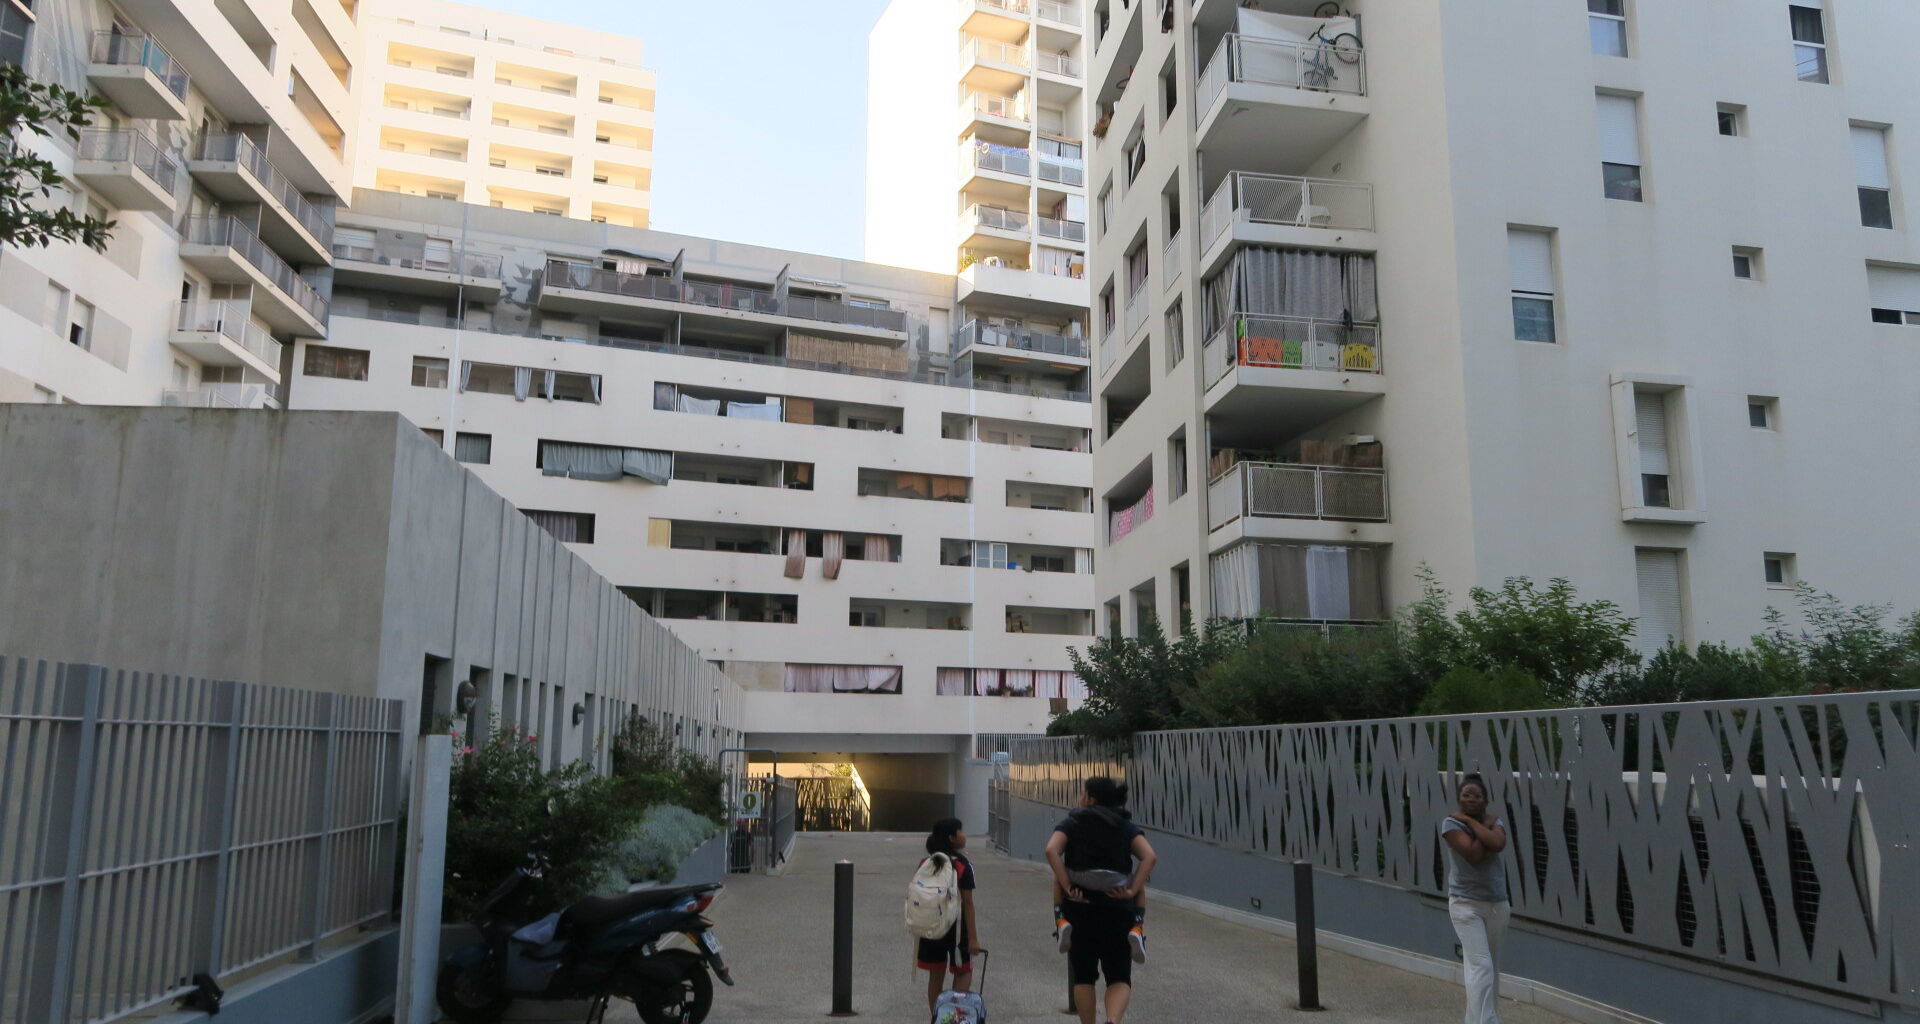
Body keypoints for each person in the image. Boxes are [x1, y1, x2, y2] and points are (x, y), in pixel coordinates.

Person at [1046, 777, 1158, 1024]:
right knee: (1119, 977)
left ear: (1091, 798)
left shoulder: (1073, 821)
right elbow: (1149, 856)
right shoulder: (1124, 825)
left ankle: (1060, 921)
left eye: (1083, 793)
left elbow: (1051, 850)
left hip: (1079, 907)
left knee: (1084, 976)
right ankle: (1112, 1021)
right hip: (1117, 908)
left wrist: (1067, 885)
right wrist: (1131, 890)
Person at [1440, 773, 1510, 1024]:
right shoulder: (1450, 824)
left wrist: (1473, 823)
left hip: (1497, 904)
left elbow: (1499, 843)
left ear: (1486, 800)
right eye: (1466, 795)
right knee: (1483, 966)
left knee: (1490, 968)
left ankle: (1476, 1020)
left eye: (1477, 796)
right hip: (1465, 904)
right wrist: (1483, 825)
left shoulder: (1493, 821)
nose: (1471, 799)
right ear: (1459, 798)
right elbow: (1473, 853)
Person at [918, 818, 981, 1012]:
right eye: (960, 831)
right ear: (952, 838)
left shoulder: (926, 863)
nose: (964, 834)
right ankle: (953, 1016)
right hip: (956, 928)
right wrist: (973, 939)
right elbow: (968, 904)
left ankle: (937, 1017)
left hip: (930, 926)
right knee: (964, 971)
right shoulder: (962, 866)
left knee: (935, 976)